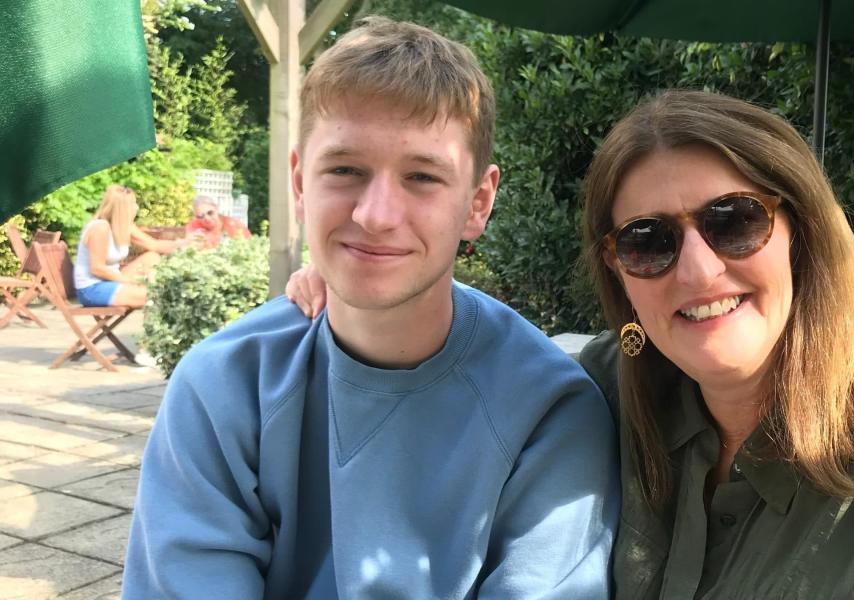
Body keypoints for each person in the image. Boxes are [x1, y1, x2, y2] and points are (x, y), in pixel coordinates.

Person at [289, 89, 854, 598]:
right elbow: (460, 372)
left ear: (802, 233)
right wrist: (363, 282)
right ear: (619, 272)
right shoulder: (606, 390)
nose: (698, 270)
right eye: (649, 242)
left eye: (734, 222)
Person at [122, 17, 618, 599]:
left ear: (478, 203)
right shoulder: (222, 384)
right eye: (346, 170)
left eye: (422, 177)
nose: (376, 214)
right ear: (301, 182)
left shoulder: (550, 410)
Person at [74, 184, 191, 307]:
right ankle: (151, 305)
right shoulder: (100, 228)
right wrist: (129, 281)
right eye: (133, 204)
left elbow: (154, 245)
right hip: (92, 289)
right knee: (154, 295)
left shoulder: (124, 226)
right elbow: (97, 268)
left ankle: (152, 290)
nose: (136, 207)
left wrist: (184, 244)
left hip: (111, 281)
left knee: (152, 257)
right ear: (123, 208)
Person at [186, 194, 251, 248]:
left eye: (210, 213)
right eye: (200, 216)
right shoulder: (193, 225)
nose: (207, 218)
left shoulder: (233, 225)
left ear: (217, 208)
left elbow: (249, 247)